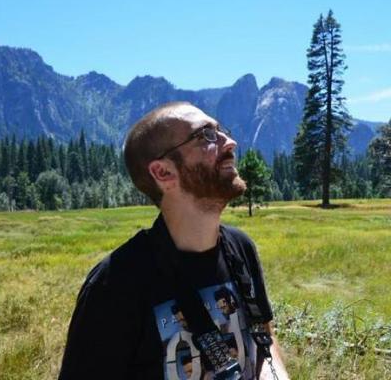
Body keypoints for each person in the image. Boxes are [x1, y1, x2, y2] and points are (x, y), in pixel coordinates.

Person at [58, 101, 289, 379]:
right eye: (206, 135)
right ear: (163, 173)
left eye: (221, 131)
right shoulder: (114, 284)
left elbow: (263, 337)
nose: (230, 142)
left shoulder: (241, 248)